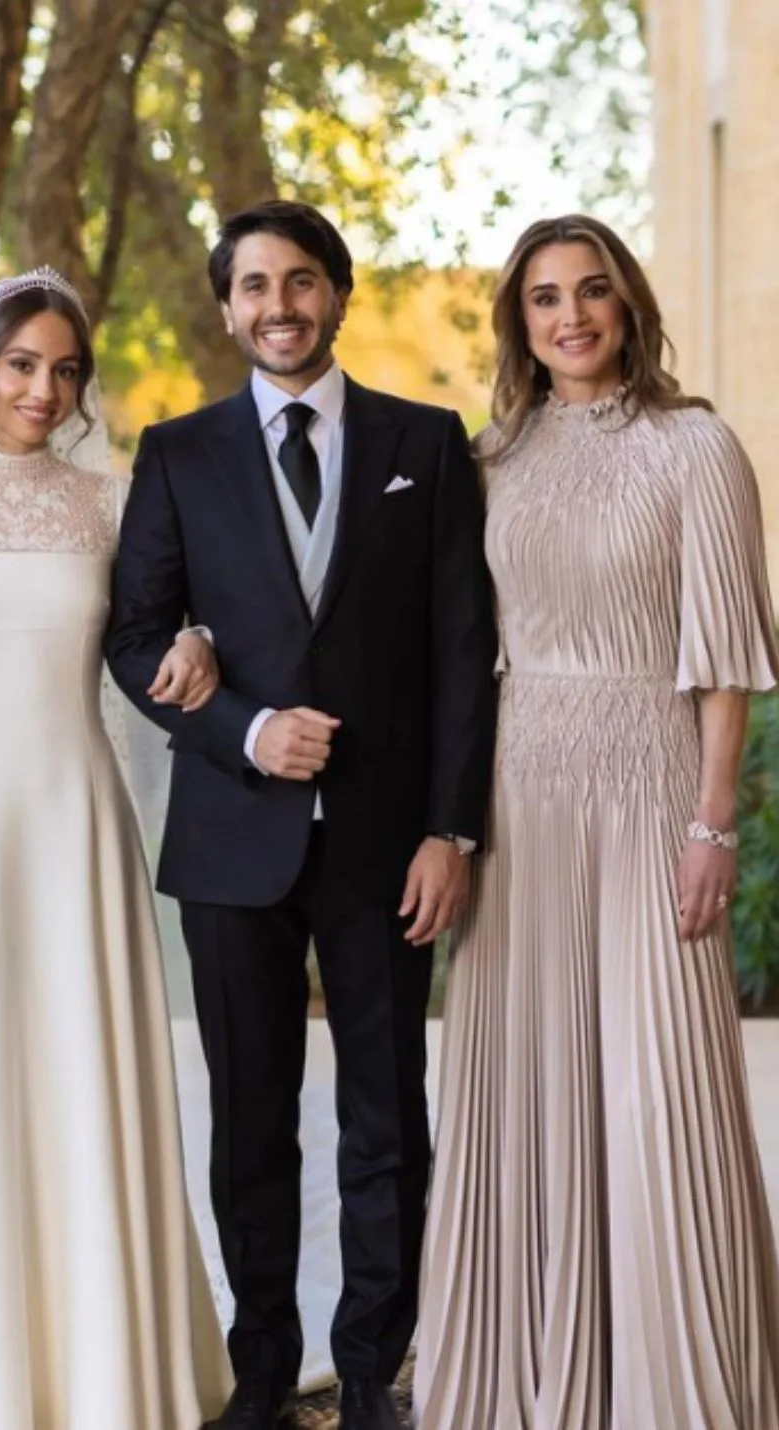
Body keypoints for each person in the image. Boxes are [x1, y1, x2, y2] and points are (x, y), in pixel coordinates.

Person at [105, 201, 499, 1430]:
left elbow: (463, 650)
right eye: (256, 285)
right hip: (232, 839)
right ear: (227, 306)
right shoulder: (175, 452)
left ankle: (372, 1365)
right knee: (250, 1118)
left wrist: (453, 827)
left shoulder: (427, 444)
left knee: (389, 1112)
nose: (280, 304)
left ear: (338, 294)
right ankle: (263, 1367)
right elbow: (133, 636)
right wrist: (243, 729)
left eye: (303, 281)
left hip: (390, 844)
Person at [414, 214, 779, 1429]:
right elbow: (445, 644)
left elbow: (722, 661)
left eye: (592, 292)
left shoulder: (698, 446)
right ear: (518, 319)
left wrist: (713, 821)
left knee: (659, 1079)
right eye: (543, 299)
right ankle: (524, 1364)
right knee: (522, 1072)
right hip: (517, 793)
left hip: (648, 781)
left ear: (628, 306)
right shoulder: (489, 456)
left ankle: (674, 1376)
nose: (569, 316)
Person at [0, 266, 231, 1430]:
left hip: (78, 817)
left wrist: (203, 640)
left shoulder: (117, 504)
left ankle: (105, 1364)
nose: (42, 387)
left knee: (83, 1065)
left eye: (64, 368)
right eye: (21, 363)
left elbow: (165, 629)